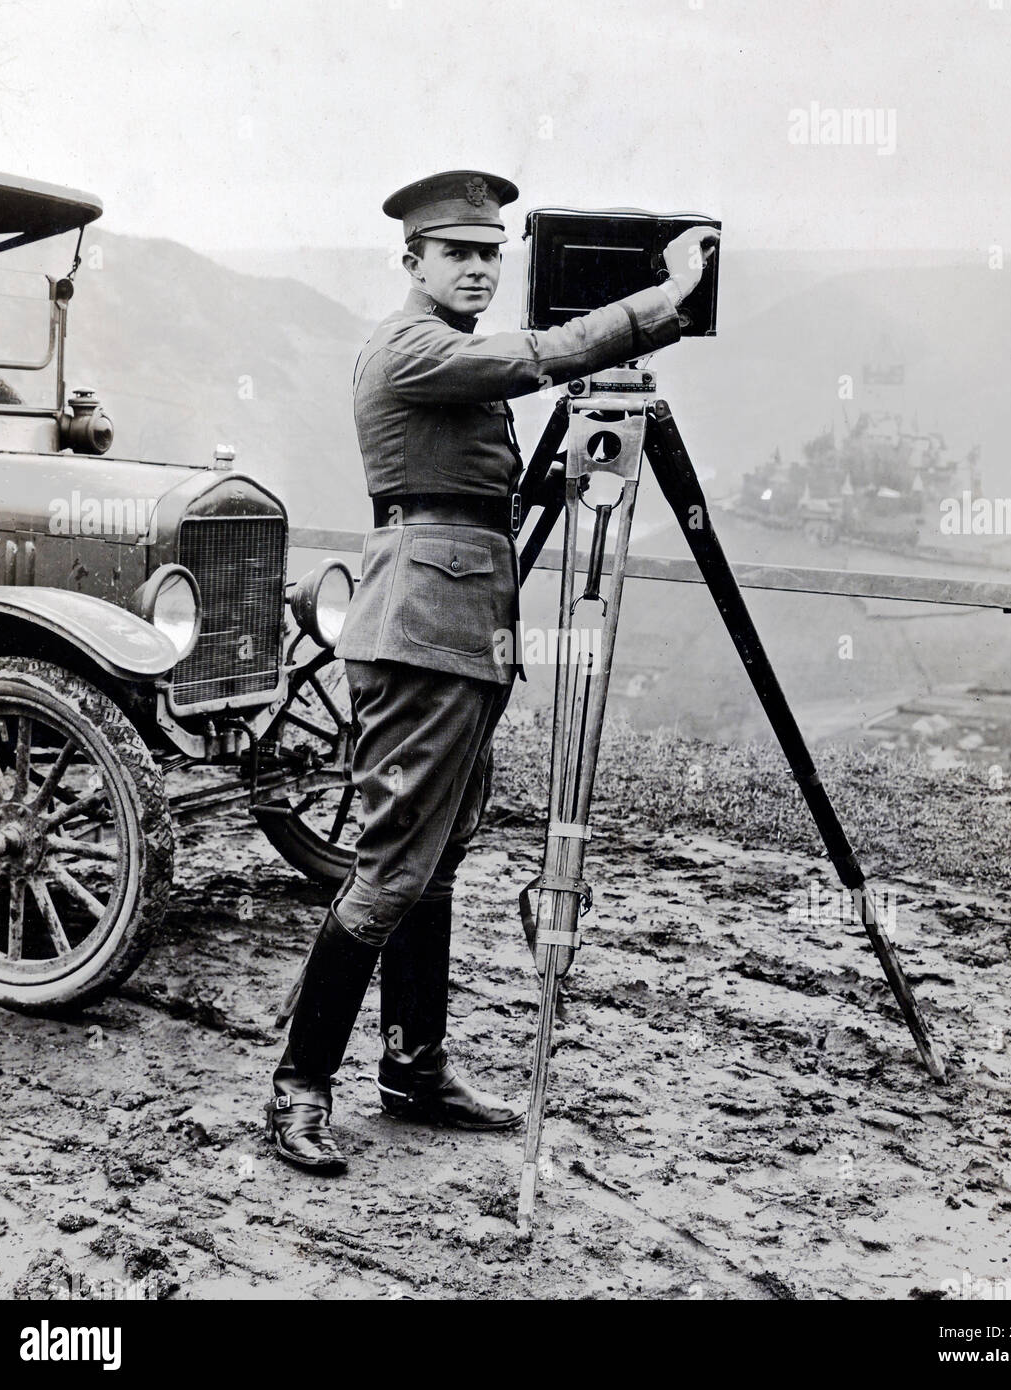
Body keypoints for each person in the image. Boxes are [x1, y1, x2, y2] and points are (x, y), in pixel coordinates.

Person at [265, 169, 718, 1171]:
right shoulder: (413, 345)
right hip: (422, 627)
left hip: (462, 627)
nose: (477, 267)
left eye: (488, 252)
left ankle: (413, 1067)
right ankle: (299, 1084)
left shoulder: (450, 352)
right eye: (457, 252)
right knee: (390, 869)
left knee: (435, 860)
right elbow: (540, 355)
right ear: (413, 261)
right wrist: (664, 302)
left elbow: (479, 478)